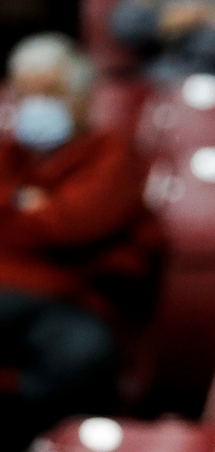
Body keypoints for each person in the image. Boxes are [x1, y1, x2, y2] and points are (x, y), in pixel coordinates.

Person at [0, 34, 159, 452]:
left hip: (73, 303)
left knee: (79, 355)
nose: (36, 104)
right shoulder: (7, 154)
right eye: (26, 93)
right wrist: (26, 203)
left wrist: (18, 211)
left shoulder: (113, 154)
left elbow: (72, 225)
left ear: (83, 98)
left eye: (49, 93)